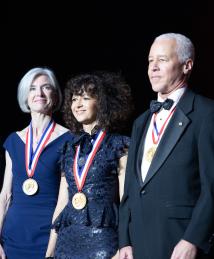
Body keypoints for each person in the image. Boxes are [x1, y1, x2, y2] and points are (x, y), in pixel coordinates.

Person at [119, 33, 214, 259]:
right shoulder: (140, 122)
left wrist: (193, 238)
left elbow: (212, 186)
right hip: (138, 244)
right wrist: (125, 240)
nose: (153, 68)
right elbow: (131, 187)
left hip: (180, 243)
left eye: (162, 60)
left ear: (186, 65)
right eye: (150, 61)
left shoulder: (206, 113)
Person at [45, 71, 133, 259]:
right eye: (74, 99)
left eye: (85, 98)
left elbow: (128, 200)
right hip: (67, 241)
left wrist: (124, 246)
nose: (78, 104)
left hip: (103, 241)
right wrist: (50, 250)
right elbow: (62, 202)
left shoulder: (119, 144)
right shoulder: (68, 148)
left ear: (101, 103)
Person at [0, 67, 73, 259]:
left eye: (46, 87)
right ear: (25, 96)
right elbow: (5, 195)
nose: (39, 93)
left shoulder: (69, 139)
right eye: (32, 88)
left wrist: (51, 247)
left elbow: (64, 199)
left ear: (55, 96)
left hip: (47, 237)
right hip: (12, 237)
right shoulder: (13, 140)